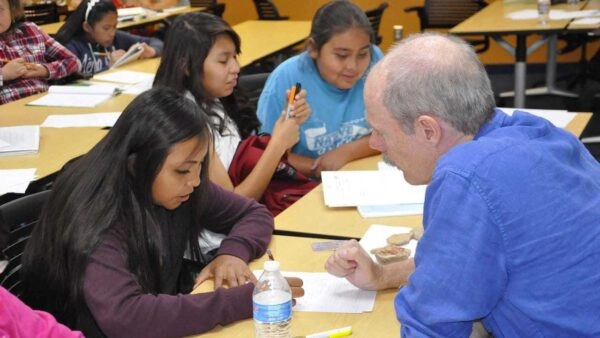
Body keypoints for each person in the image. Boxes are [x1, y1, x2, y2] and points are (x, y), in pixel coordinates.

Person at [325, 33, 600, 337]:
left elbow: (431, 327)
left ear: (428, 129)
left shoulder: (467, 177)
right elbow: (467, 266)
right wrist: (384, 275)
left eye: (380, 132)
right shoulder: (540, 133)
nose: (375, 144)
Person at [20, 87, 304, 337]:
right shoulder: (96, 213)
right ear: (136, 163)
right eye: (182, 170)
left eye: (199, 166)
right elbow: (127, 318)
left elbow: (253, 214)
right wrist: (240, 301)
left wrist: (232, 252)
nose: (194, 181)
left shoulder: (178, 183)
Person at [153, 12, 311, 218]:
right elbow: (233, 206)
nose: (236, 68)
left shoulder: (212, 99)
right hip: (219, 239)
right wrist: (278, 144)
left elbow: (246, 165)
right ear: (186, 65)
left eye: (235, 57)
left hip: (252, 217)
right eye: (223, 61)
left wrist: (287, 124)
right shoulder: (186, 124)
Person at [256, 0, 383, 178]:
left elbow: (396, 132)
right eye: (341, 55)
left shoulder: (376, 62)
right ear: (313, 48)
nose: (353, 66)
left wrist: (347, 152)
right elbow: (263, 155)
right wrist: (318, 167)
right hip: (303, 185)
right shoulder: (287, 79)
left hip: (357, 174)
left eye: (362, 54)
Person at [0, 0, 80, 104]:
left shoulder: (30, 30)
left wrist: (45, 70)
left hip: (45, 101)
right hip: (10, 111)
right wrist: (4, 74)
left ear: (12, 10)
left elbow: (74, 61)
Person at [55, 0, 162, 77]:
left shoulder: (117, 38)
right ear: (87, 27)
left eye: (115, 26)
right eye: (106, 28)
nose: (112, 33)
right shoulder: (72, 46)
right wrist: (109, 68)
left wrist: (152, 51)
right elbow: (71, 80)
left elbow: (157, 42)